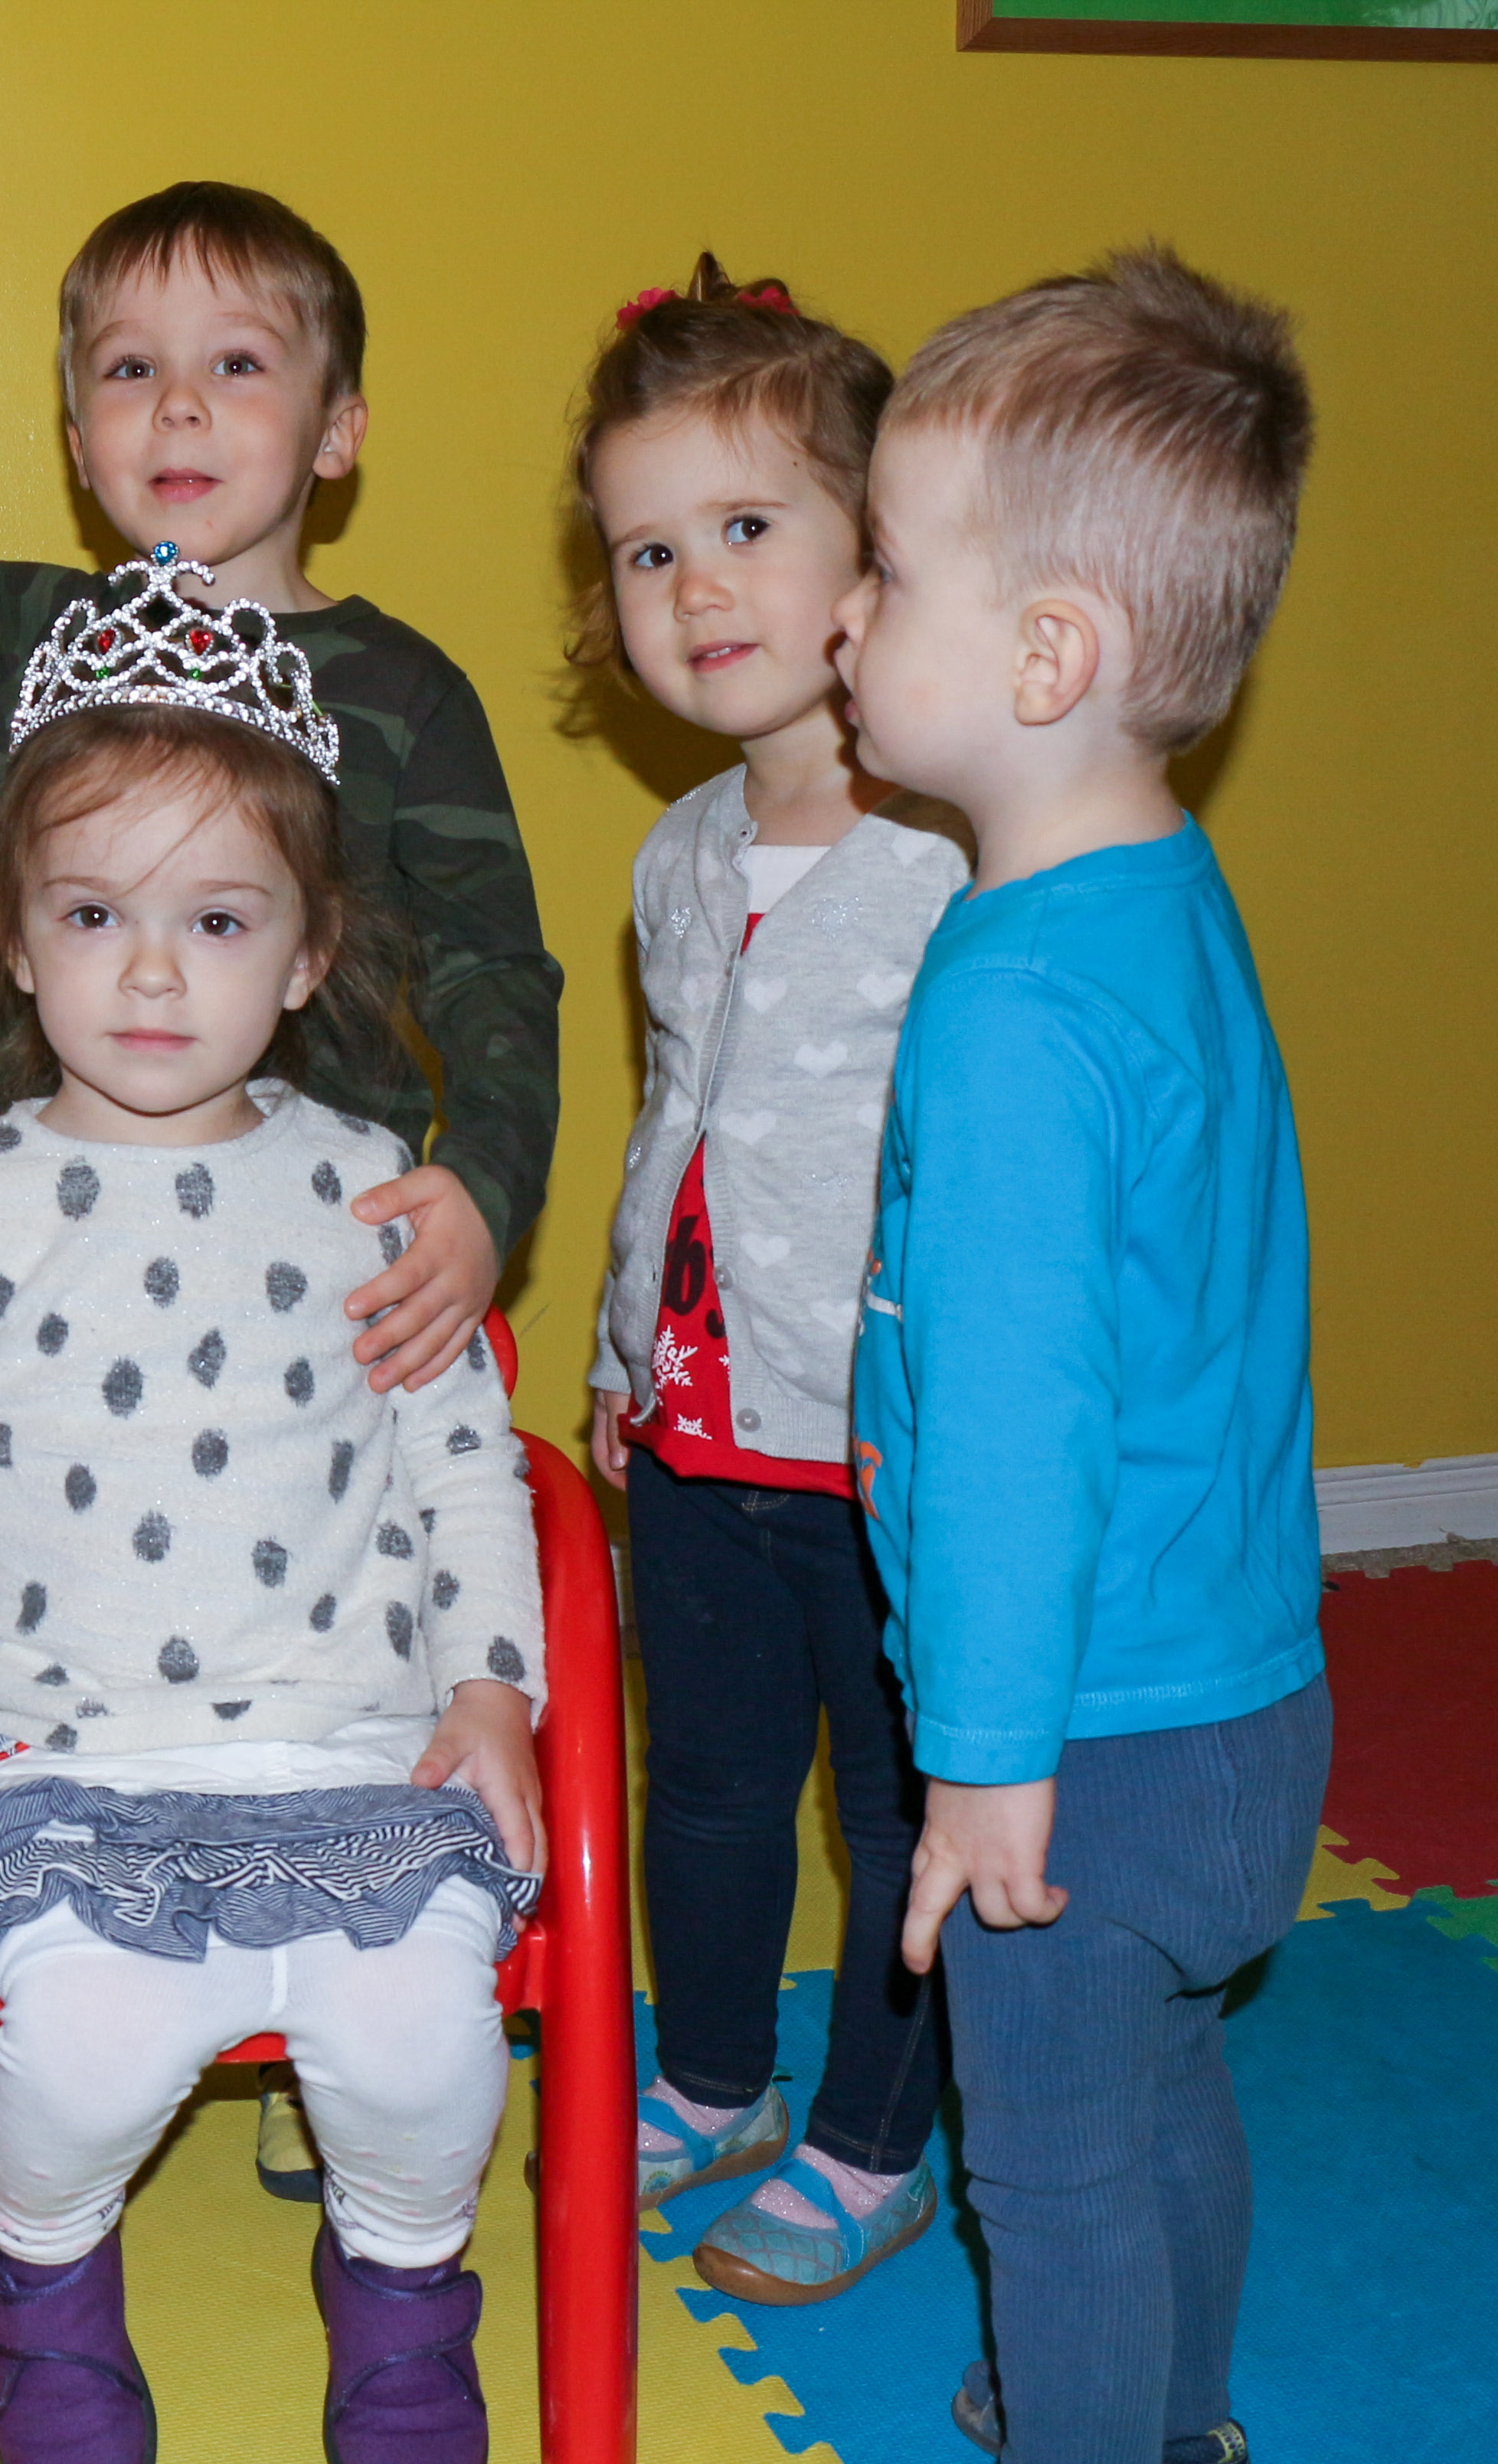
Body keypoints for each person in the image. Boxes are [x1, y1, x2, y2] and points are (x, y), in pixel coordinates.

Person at [0, 55, 564, 2201]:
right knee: (67, 1648)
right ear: (74, 429)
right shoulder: (30, 637)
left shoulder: (403, 690)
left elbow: (501, 976)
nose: (177, 406)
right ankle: (95, 1910)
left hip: (326, 1315)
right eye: (128, 368)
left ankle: (349, 1967)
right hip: (58, 1312)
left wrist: (483, 1197)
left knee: (357, 1640)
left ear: (335, 428)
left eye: (236, 364)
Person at [0, 556, 548, 2464]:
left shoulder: (371, 1190)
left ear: (306, 954)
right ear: (15, 941)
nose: (151, 975)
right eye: (93, 916)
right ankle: (44, 2292)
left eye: (215, 921)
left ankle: (402, 2290)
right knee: (83, 2053)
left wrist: (490, 1692)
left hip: (353, 1741)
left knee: (426, 2041)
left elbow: (465, 1468)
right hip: (69, 1758)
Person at [806, 248, 1324, 2464]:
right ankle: (1174, 2440)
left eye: (888, 570)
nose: (843, 612)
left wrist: (982, 1766)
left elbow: (1019, 1432)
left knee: (1048, 2163)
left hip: (1077, 1732)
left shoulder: (1011, 1006)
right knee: (1163, 2079)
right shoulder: (1160, 902)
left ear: (1042, 659)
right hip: (1238, 1699)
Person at [570, 259, 967, 2309]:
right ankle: (711, 2073)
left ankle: (871, 2141)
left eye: (744, 526)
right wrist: (620, 1345)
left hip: (884, 1443)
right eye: (649, 550)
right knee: (711, 1786)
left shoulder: (955, 854)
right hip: (703, 1428)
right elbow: (680, 1118)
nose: (695, 587)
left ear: (874, 555)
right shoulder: (679, 848)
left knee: (899, 1819)